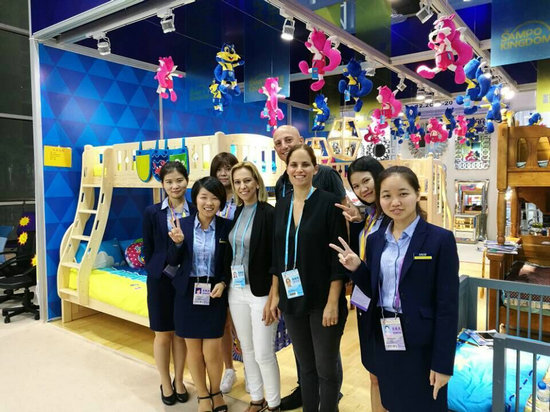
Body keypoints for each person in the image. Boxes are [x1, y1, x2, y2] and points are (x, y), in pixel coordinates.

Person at [329, 166, 459, 412]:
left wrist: (443, 364)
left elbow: (448, 306)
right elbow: (374, 290)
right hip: (386, 334)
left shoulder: (440, 240)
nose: (395, 202)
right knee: (392, 401)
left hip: (422, 341)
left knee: (425, 404)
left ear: (417, 193)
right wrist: (357, 268)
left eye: (403, 193)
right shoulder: (376, 240)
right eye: (387, 195)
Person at [272, 125, 346, 410]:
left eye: (305, 165)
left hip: (322, 299)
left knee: (326, 369)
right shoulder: (282, 204)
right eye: (294, 165)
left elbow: (338, 258)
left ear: (315, 169)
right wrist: (276, 295)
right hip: (293, 297)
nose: (299, 170)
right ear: (287, 169)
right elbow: (277, 254)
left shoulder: (329, 203)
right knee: (306, 368)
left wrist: (333, 302)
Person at [167, 176, 231, 412]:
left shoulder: (226, 227)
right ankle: (203, 395)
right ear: (195, 199)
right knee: (193, 350)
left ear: (221, 201)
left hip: (214, 293)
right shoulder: (181, 225)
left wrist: (223, 282)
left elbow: (230, 262)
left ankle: (216, 392)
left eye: (215, 198)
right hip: (187, 294)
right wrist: (176, 244)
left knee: (212, 351)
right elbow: (172, 262)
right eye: (204, 197)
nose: (209, 203)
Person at [224, 161, 281, 412]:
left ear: (257, 182)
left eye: (247, 180)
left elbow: (277, 258)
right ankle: (257, 399)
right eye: (237, 182)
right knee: (246, 350)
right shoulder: (235, 213)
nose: (242, 186)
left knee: (263, 353)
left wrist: (274, 295)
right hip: (236, 290)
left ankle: (275, 404)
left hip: (261, 292)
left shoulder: (269, 214)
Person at [334, 156, 388, 412]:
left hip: (387, 304)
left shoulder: (393, 217)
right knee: (374, 374)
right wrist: (357, 222)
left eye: (366, 181)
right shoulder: (370, 217)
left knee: (388, 375)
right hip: (366, 300)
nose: (363, 189)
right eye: (356, 186)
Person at [142, 161, 195, 406]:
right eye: (169, 182)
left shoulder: (195, 210)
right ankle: (165, 382)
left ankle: (180, 380)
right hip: (160, 280)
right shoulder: (152, 212)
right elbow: (148, 247)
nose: (175, 186)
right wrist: (155, 269)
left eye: (179, 180)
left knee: (181, 334)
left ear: (187, 181)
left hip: (185, 280)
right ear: (162, 184)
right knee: (162, 334)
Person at [210, 152, 240, 393]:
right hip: (217, 265)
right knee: (223, 322)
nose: (223, 173)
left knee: (242, 321)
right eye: (219, 169)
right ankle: (229, 369)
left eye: (228, 168)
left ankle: (252, 368)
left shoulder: (242, 197)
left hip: (240, 264)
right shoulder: (211, 198)